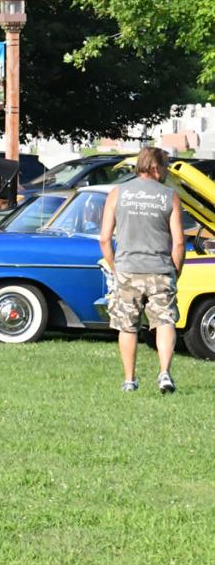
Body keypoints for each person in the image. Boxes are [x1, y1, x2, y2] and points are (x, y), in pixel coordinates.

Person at [99, 146, 185, 393]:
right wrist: (175, 270)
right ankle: (165, 374)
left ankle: (129, 380)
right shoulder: (169, 196)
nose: (167, 172)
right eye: (166, 167)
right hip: (160, 269)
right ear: (156, 168)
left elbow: (104, 239)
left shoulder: (117, 193)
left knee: (127, 325)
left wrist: (117, 268)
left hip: (128, 269)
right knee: (165, 320)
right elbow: (179, 241)